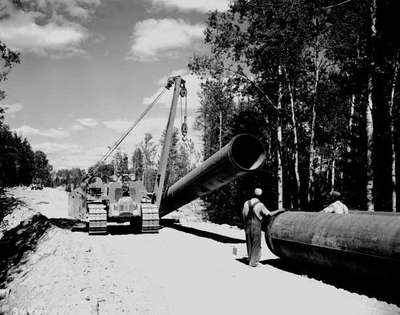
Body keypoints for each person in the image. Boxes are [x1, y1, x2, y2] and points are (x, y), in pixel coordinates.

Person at [242, 188, 271, 267]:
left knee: (249, 243)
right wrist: (280, 210)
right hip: (256, 226)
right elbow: (269, 214)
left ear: (252, 194)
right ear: (261, 196)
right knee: (256, 244)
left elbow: (244, 215)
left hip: (247, 225)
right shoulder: (260, 205)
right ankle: (253, 263)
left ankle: (250, 259)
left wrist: (245, 225)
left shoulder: (246, 203)